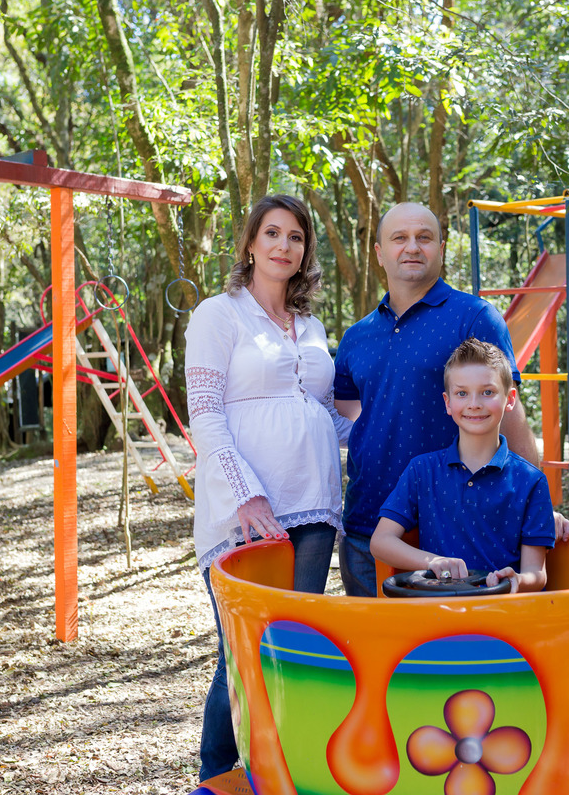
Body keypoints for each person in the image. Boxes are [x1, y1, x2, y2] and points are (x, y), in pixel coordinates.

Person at [184, 193, 350, 781]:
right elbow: (204, 412)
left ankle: (282, 773)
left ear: (305, 252)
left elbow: (322, 412)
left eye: (296, 237)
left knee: (294, 649)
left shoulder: (313, 327)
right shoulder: (218, 314)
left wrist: (379, 434)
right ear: (251, 243)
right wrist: (246, 492)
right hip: (245, 508)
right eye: (273, 233)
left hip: (315, 505)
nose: (284, 245)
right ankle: (216, 775)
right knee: (243, 649)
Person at [333, 202, 569, 597]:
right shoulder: (357, 336)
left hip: (453, 533)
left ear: (441, 249)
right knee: (370, 638)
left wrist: (536, 500)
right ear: (379, 252)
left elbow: (509, 412)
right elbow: (351, 410)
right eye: (399, 238)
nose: (412, 247)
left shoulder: (475, 316)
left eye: (424, 238)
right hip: (367, 528)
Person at [370, 339, 555, 593]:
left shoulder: (531, 480)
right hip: (439, 609)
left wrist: (516, 580)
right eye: (462, 393)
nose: (474, 404)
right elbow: (381, 541)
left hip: (502, 610)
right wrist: (432, 561)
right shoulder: (421, 471)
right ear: (447, 402)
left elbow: (536, 573)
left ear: (510, 398)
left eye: (487, 392)